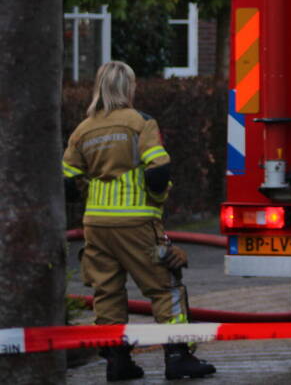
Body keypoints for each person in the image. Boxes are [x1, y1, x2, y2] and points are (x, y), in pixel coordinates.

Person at [62, 61, 216, 382]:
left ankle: (117, 363)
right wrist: (156, 200)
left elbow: (67, 182)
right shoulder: (140, 123)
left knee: (107, 292)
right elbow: (158, 170)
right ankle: (177, 357)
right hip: (136, 221)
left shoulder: (83, 129)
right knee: (165, 286)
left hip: (96, 224)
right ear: (129, 88)